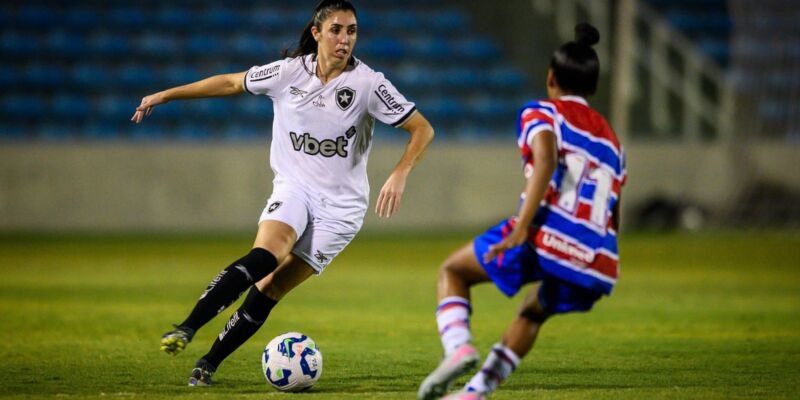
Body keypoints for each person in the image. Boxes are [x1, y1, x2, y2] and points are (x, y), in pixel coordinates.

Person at [131, 0, 434, 386]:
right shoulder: (289, 73)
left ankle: (208, 363)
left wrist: (400, 172)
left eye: (352, 30)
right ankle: (187, 326)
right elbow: (230, 82)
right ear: (317, 32)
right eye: (337, 29)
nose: (345, 39)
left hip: (341, 209)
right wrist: (166, 94)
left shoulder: (369, 84)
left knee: (271, 287)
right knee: (265, 256)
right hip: (294, 187)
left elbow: (422, 129)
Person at [417, 23, 625, 400]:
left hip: (545, 233)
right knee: (533, 312)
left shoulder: (542, 113)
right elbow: (615, 209)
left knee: (453, 271)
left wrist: (522, 227)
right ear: (593, 88)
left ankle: (459, 347)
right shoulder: (612, 141)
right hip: (598, 256)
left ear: (551, 78)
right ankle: (475, 392)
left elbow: (545, 159)